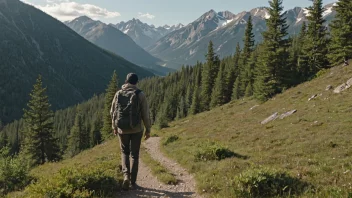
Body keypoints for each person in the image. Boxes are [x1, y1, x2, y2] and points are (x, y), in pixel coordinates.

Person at [110, 73, 151, 191]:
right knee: (134, 154)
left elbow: (112, 111)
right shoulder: (140, 94)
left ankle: (125, 176)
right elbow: (145, 114)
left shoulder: (118, 93)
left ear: (126, 81)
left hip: (122, 129)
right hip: (137, 129)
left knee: (124, 152)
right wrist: (148, 129)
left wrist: (114, 126)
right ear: (136, 82)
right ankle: (133, 182)